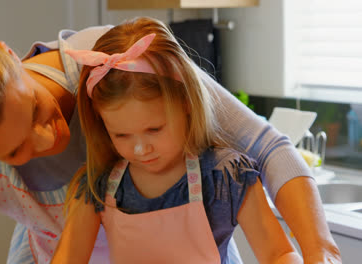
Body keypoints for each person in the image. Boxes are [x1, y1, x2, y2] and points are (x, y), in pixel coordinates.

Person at [0, 17, 340, 264]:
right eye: (15, 151)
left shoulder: (113, 63)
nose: (49, 138)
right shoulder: (87, 191)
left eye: (36, 111)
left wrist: (320, 253)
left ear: (9, 55)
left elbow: (269, 149)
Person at [51, 17, 303, 263]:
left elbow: (278, 253)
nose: (140, 148)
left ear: (186, 103)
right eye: (122, 135)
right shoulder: (99, 185)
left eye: (154, 129)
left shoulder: (224, 176)